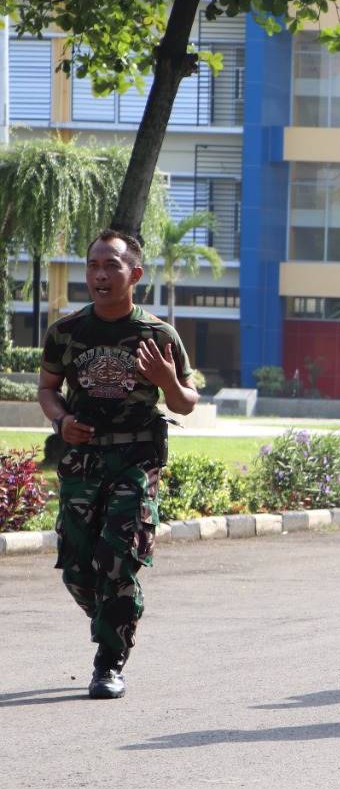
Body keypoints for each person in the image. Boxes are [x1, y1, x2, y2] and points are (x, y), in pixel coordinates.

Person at [38, 229, 199, 700]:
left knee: (117, 558)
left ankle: (108, 663)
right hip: (82, 459)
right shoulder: (66, 332)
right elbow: (47, 389)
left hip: (136, 457)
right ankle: (114, 616)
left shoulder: (157, 334)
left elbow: (187, 402)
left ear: (135, 274)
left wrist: (168, 380)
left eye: (111, 265)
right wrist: (61, 420)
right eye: (93, 266)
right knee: (76, 566)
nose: (100, 275)